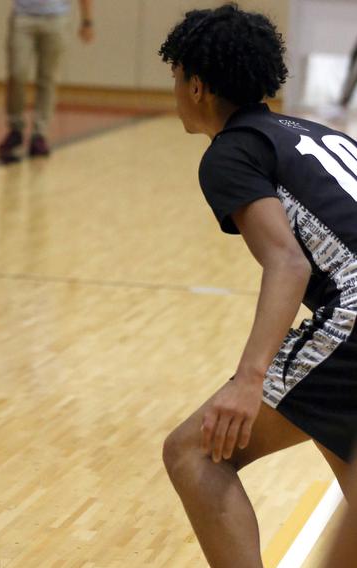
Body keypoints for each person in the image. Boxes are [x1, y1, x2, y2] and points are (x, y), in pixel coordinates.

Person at [158, 5, 357, 567]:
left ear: (197, 86)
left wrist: (249, 382)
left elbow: (288, 264)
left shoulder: (231, 151)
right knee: (330, 431)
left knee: (196, 451)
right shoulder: (317, 133)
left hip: (353, 313)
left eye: (176, 77)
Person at [0, 0, 93, 163]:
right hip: (22, 17)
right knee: (17, 73)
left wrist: (87, 21)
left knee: (47, 79)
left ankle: (39, 134)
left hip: (56, 19)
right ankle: (15, 128)